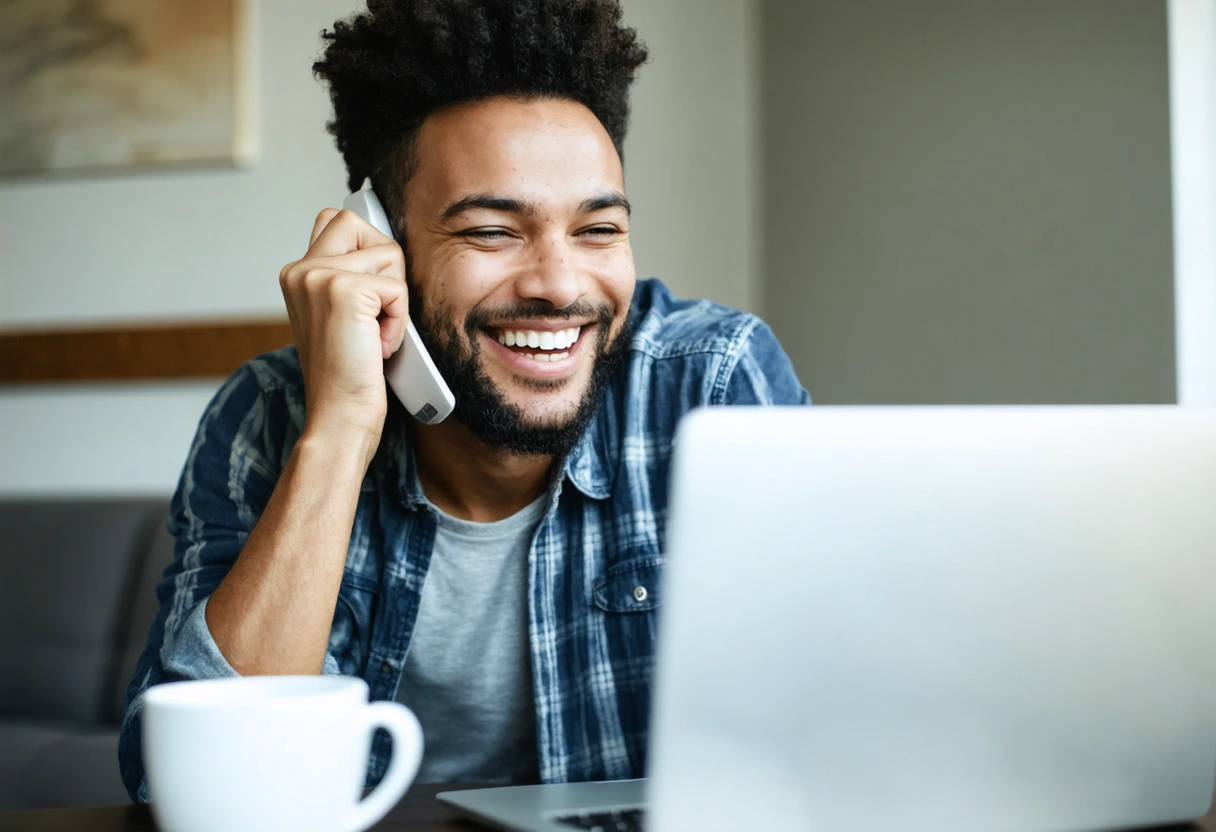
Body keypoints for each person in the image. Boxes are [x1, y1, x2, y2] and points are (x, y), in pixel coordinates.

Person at [118, 0, 809, 802]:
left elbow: (833, 718)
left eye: (598, 230)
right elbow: (195, 787)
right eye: (491, 231)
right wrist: (341, 431)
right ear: (383, 247)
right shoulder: (269, 415)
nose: (557, 285)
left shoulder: (713, 385)